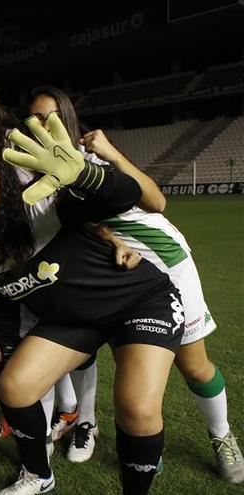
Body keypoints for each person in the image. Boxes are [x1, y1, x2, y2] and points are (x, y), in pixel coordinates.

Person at [0, 113, 183, 494]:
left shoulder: (41, 209)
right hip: (74, 320)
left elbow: (125, 196)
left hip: (139, 302)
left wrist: (86, 176)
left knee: (137, 410)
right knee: (14, 387)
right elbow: (3, 301)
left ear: (2, 179)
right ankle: (38, 476)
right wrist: (10, 349)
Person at [29, 86, 243, 482]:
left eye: (52, 117)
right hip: (121, 278)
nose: (45, 126)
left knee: (194, 365)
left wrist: (110, 153)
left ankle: (222, 434)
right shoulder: (39, 181)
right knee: (137, 370)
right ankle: (146, 441)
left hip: (168, 265)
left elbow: (157, 203)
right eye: (37, 120)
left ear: (71, 122)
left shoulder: (96, 162)